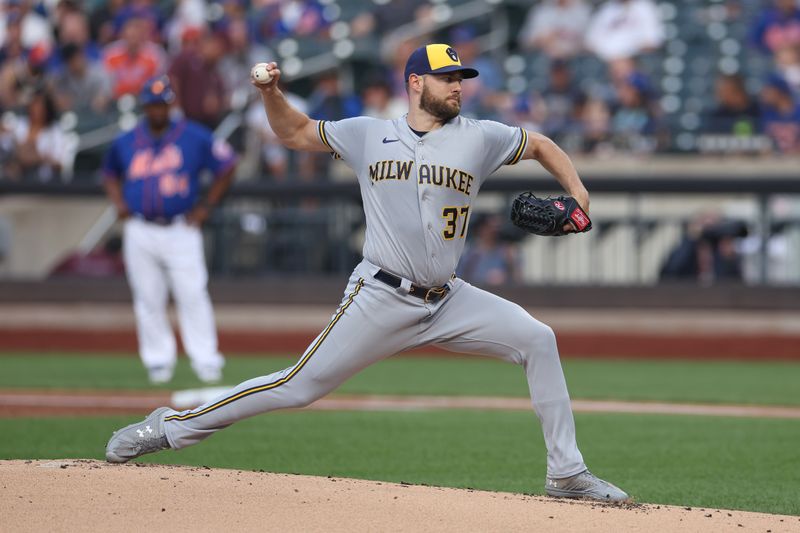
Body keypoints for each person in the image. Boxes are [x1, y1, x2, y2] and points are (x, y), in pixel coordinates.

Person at [105, 44, 629, 502]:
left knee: (538, 339)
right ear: (415, 83)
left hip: (449, 298)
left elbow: (539, 144)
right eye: (448, 78)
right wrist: (271, 94)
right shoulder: (367, 134)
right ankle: (169, 428)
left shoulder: (480, 137)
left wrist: (579, 196)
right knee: (296, 385)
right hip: (380, 294)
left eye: (461, 79)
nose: (458, 87)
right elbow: (294, 133)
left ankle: (566, 473)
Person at [101, 76, 237, 385]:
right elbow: (109, 172)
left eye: (162, 104)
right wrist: (118, 201)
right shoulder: (127, 140)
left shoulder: (193, 135)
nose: (157, 110)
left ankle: (206, 360)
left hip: (181, 226)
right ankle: (158, 360)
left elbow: (227, 164)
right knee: (148, 297)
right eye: (152, 104)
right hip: (140, 226)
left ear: (170, 104)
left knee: (192, 293)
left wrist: (206, 207)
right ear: (144, 106)